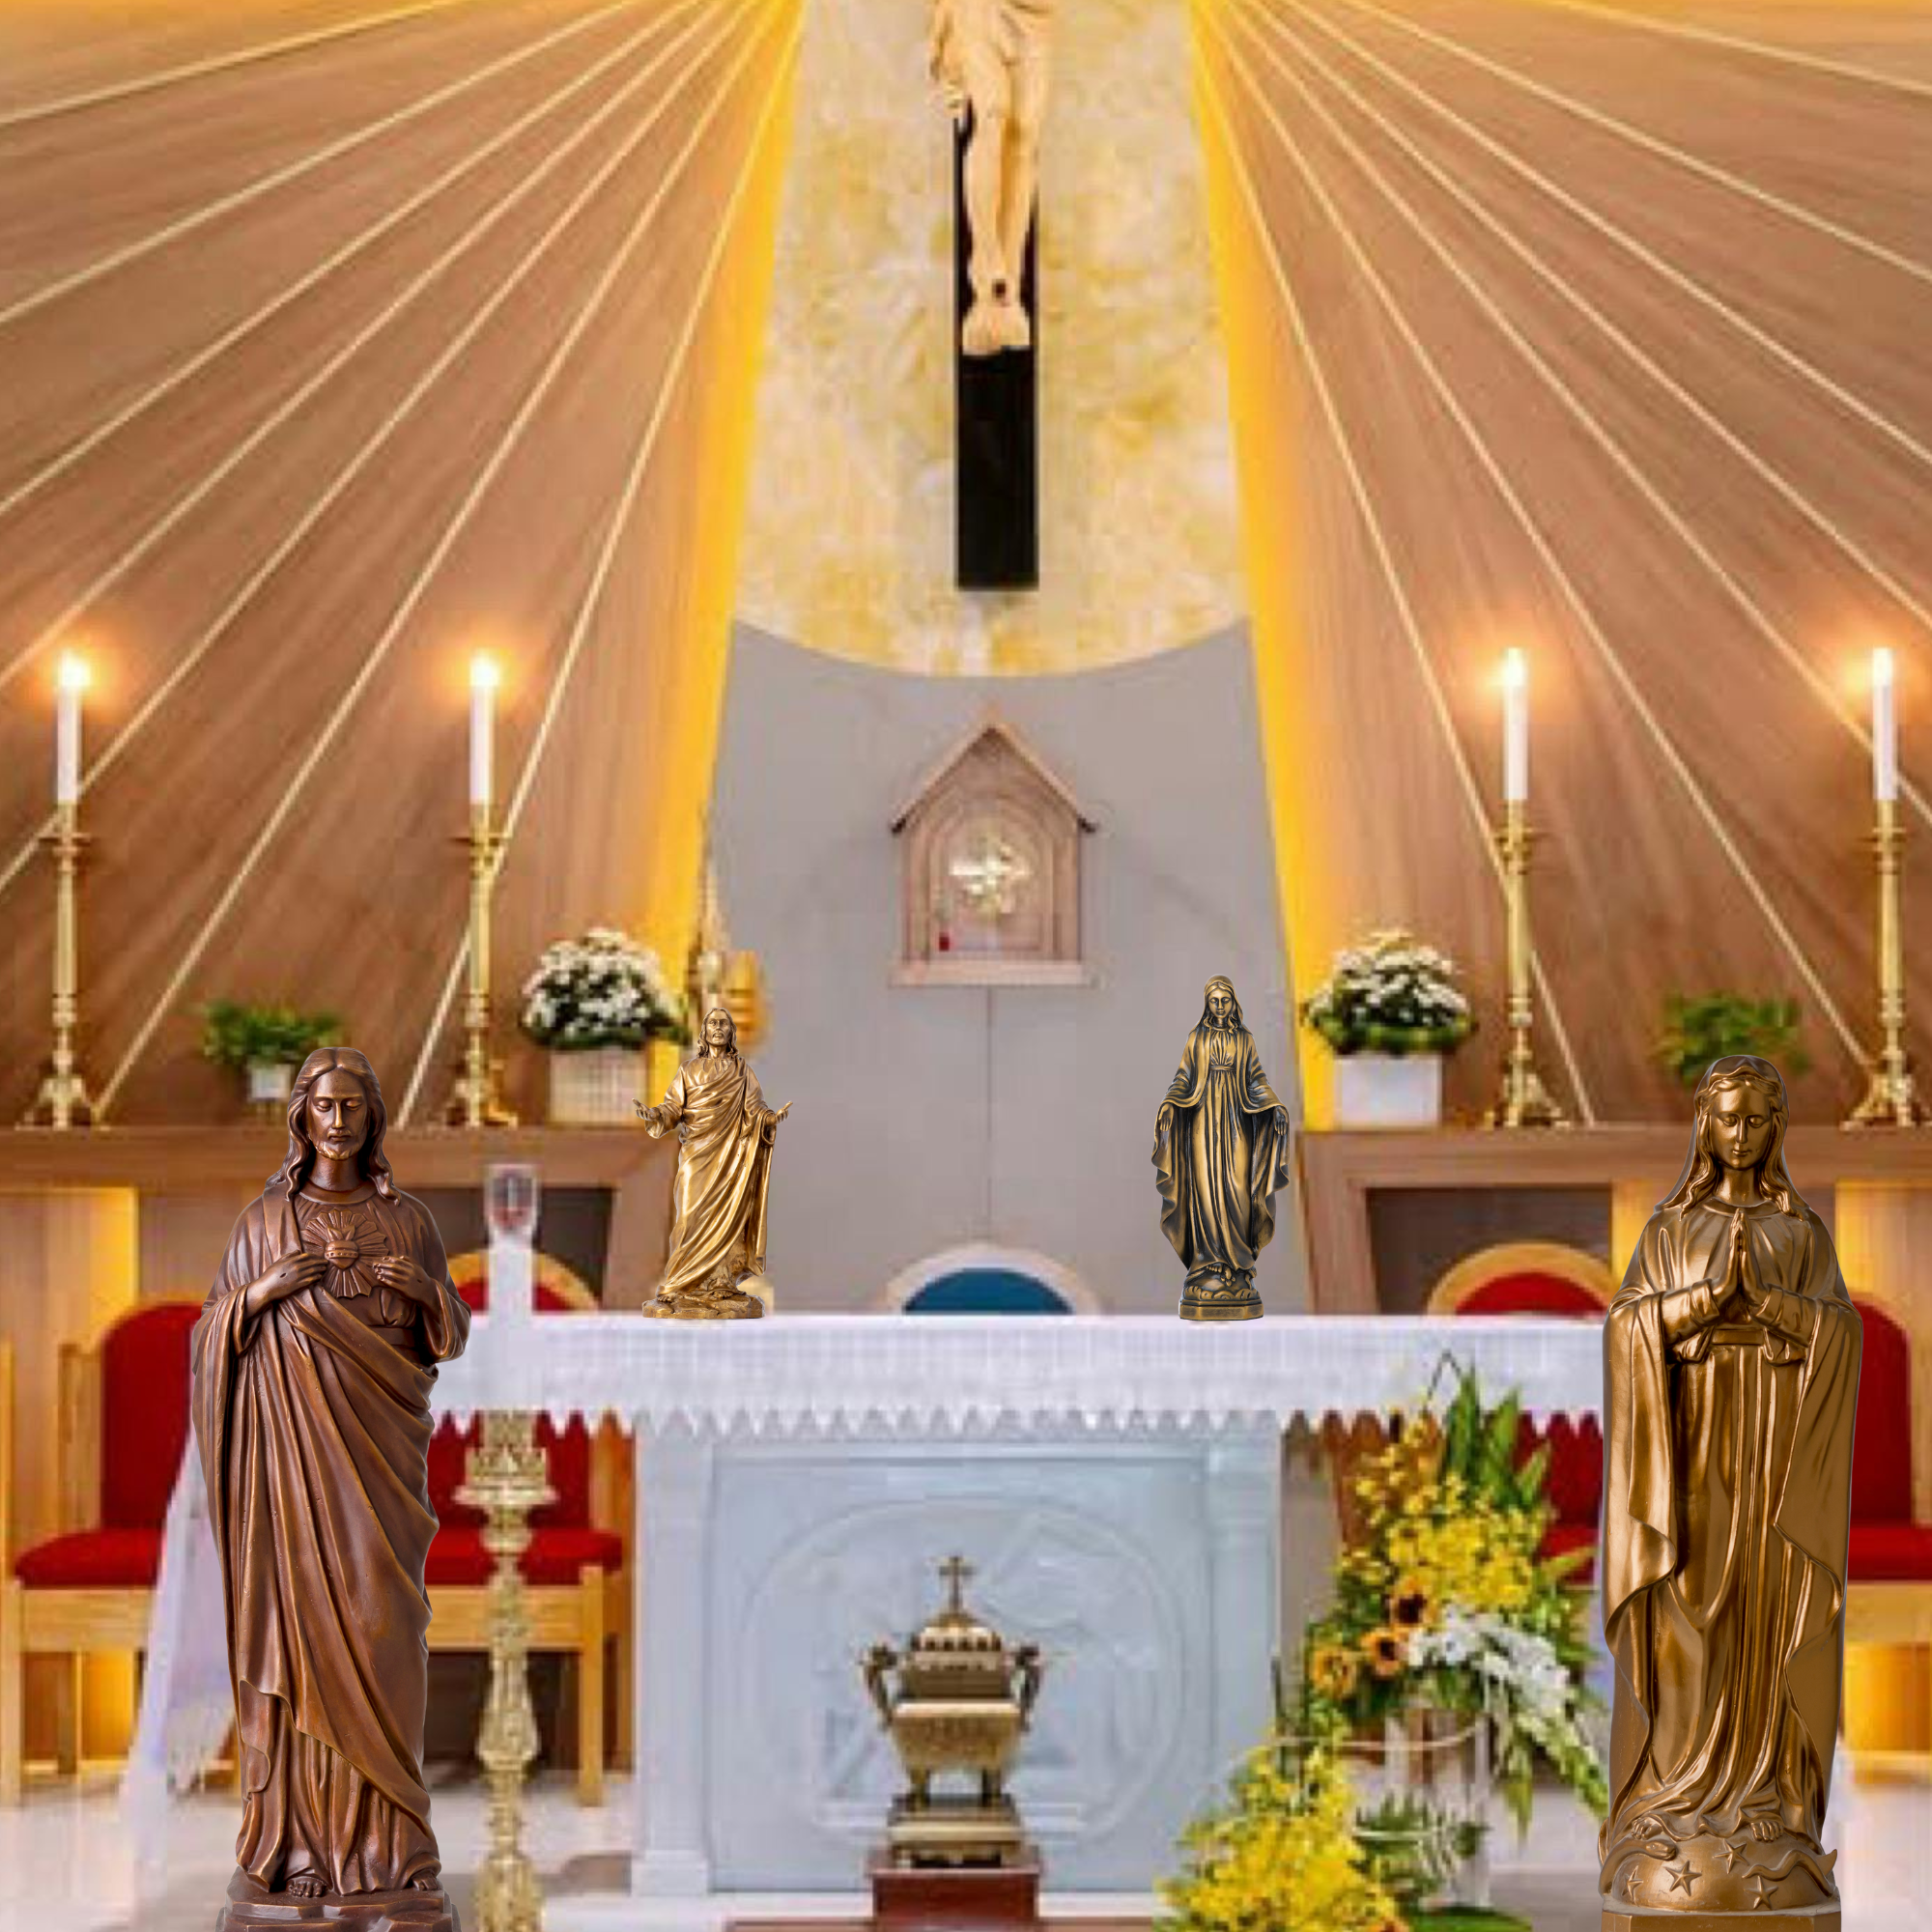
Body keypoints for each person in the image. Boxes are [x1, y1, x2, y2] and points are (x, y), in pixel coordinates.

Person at [190, 1047, 469, 1903]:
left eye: (353, 1106)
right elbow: (210, 1337)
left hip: (382, 1464)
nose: (338, 1121)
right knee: (301, 1639)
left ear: (373, 1117)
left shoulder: (409, 1221)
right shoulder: (263, 1223)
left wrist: (423, 1291)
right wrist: (263, 1291)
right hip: (291, 1475)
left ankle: (391, 1848)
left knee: (386, 1632)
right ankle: (303, 1847)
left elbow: (450, 1333)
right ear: (301, 1117)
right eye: (324, 1106)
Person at [1600, 1055, 1859, 1916]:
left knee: (1761, 1605)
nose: (1740, 1136)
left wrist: (1777, 1309)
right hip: (1691, 1444)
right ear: (1703, 1127)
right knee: (1690, 1603)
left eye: (1755, 1120)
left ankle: (1766, 1797)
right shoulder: (1669, 1230)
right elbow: (1627, 1326)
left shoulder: (1801, 1233)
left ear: (1774, 1128)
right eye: (1726, 1119)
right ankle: (1676, 1794)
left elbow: (1842, 1332)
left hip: (1776, 1448)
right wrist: (1701, 1304)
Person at [638, 1006, 790, 1319]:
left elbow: (754, 1109)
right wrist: (655, 1115)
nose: (718, 1028)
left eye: (723, 1023)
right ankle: (681, 1284)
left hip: (732, 1159)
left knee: (729, 1220)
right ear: (704, 1032)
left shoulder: (741, 1072)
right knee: (689, 1217)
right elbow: (673, 1108)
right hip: (697, 1154)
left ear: (731, 1032)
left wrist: (769, 1119)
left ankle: (720, 1283)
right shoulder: (689, 1071)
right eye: (713, 1024)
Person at [1153, 977, 1292, 1321]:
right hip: (1202, 1123)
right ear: (1207, 1004)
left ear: (1232, 1003)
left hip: (1236, 1122)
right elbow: (1183, 1079)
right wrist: (1170, 1105)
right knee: (1204, 1191)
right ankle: (1208, 1266)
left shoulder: (1244, 1040)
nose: (1219, 1006)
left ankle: (1237, 1267)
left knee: (1237, 1189)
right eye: (1214, 1000)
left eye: (1224, 1000)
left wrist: (1274, 1107)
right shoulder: (1196, 1039)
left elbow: (1256, 1079)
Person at [928, 0, 1051, 355]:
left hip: (1036, 13)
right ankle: (987, 260)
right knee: (993, 113)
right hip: (977, 8)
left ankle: (1008, 285)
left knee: (1025, 133)